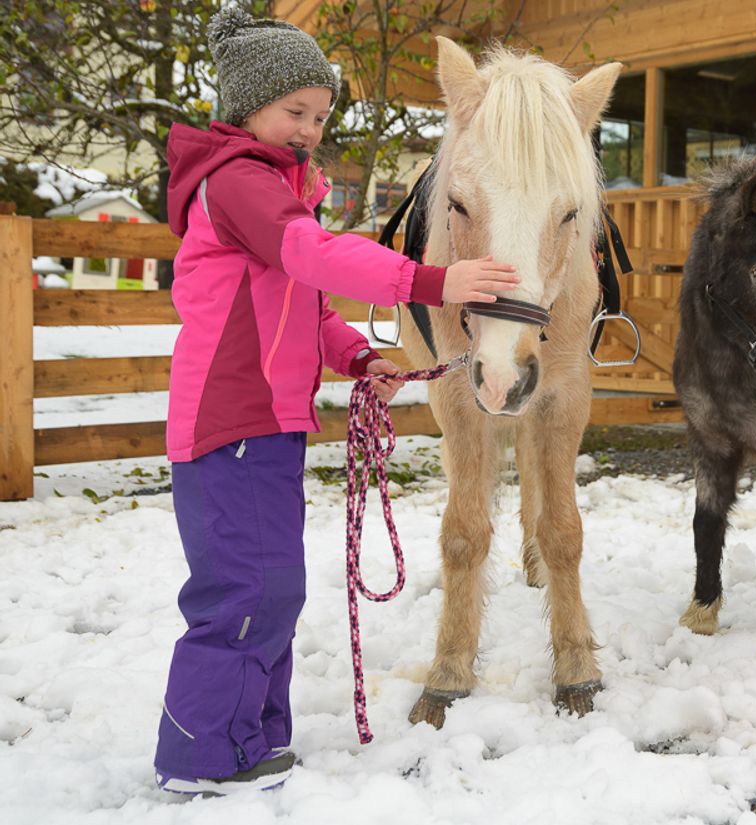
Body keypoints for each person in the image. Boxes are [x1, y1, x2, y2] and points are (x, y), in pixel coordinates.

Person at [153, 6, 519, 795]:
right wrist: (432, 281)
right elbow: (309, 254)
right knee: (244, 590)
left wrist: (356, 355)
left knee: (274, 586)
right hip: (229, 422)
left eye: (320, 115)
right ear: (247, 103)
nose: (311, 129)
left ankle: (249, 736)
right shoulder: (240, 183)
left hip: (273, 423)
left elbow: (305, 301)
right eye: (295, 112)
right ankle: (204, 754)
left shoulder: (275, 187)